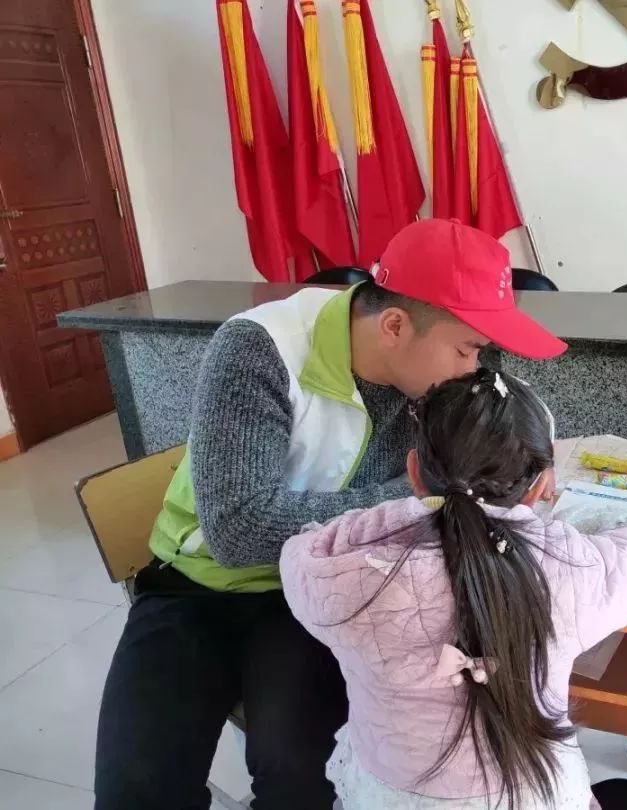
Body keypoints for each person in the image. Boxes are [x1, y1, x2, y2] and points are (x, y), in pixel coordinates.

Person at [94, 220, 568, 810]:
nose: (476, 369)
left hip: (323, 596)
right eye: (467, 349)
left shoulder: (433, 369)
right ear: (394, 326)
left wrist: (531, 458)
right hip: (200, 587)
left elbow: (514, 411)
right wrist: (422, 497)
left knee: (301, 776)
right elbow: (240, 530)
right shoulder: (260, 349)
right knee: (135, 790)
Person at [280, 368, 627, 809]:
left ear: (414, 472)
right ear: (538, 489)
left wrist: (395, 515)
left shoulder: (339, 575)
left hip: (386, 798)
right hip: (531, 798)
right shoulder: (567, 568)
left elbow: (304, 546)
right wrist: (571, 525)